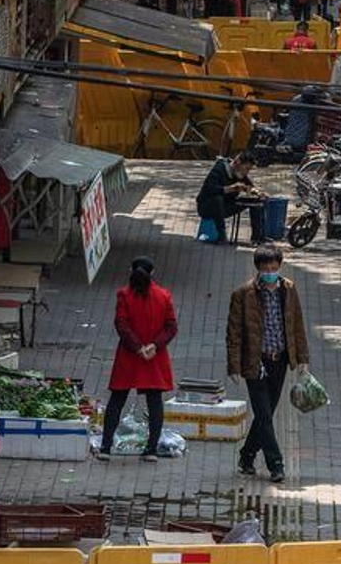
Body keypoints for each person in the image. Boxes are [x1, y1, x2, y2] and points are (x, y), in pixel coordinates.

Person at [226, 244, 311, 483]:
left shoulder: (288, 290)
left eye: (274, 267)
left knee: (266, 414)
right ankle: (276, 464)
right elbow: (233, 334)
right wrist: (234, 366)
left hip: (280, 360)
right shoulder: (243, 294)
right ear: (258, 269)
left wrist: (302, 358)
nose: (271, 272)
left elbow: (297, 325)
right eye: (266, 268)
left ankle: (247, 456)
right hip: (255, 362)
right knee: (263, 414)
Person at [98, 257, 178, 462]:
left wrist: (137, 347)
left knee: (117, 398)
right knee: (154, 401)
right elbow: (171, 327)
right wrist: (154, 346)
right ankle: (151, 450)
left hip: (129, 355)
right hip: (154, 356)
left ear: (130, 270)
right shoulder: (164, 295)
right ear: (153, 272)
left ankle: (105, 447)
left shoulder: (124, 295)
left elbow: (121, 325)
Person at [196, 152, 257, 244]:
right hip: (207, 207)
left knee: (256, 201)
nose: (247, 172)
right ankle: (221, 234)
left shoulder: (240, 174)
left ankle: (257, 236)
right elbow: (209, 189)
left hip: (226, 206)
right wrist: (229, 189)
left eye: (249, 170)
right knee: (218, 199)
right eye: (246, 168)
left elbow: (250, 187)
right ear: (237, 163)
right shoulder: (219, 169)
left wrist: (257, 192)